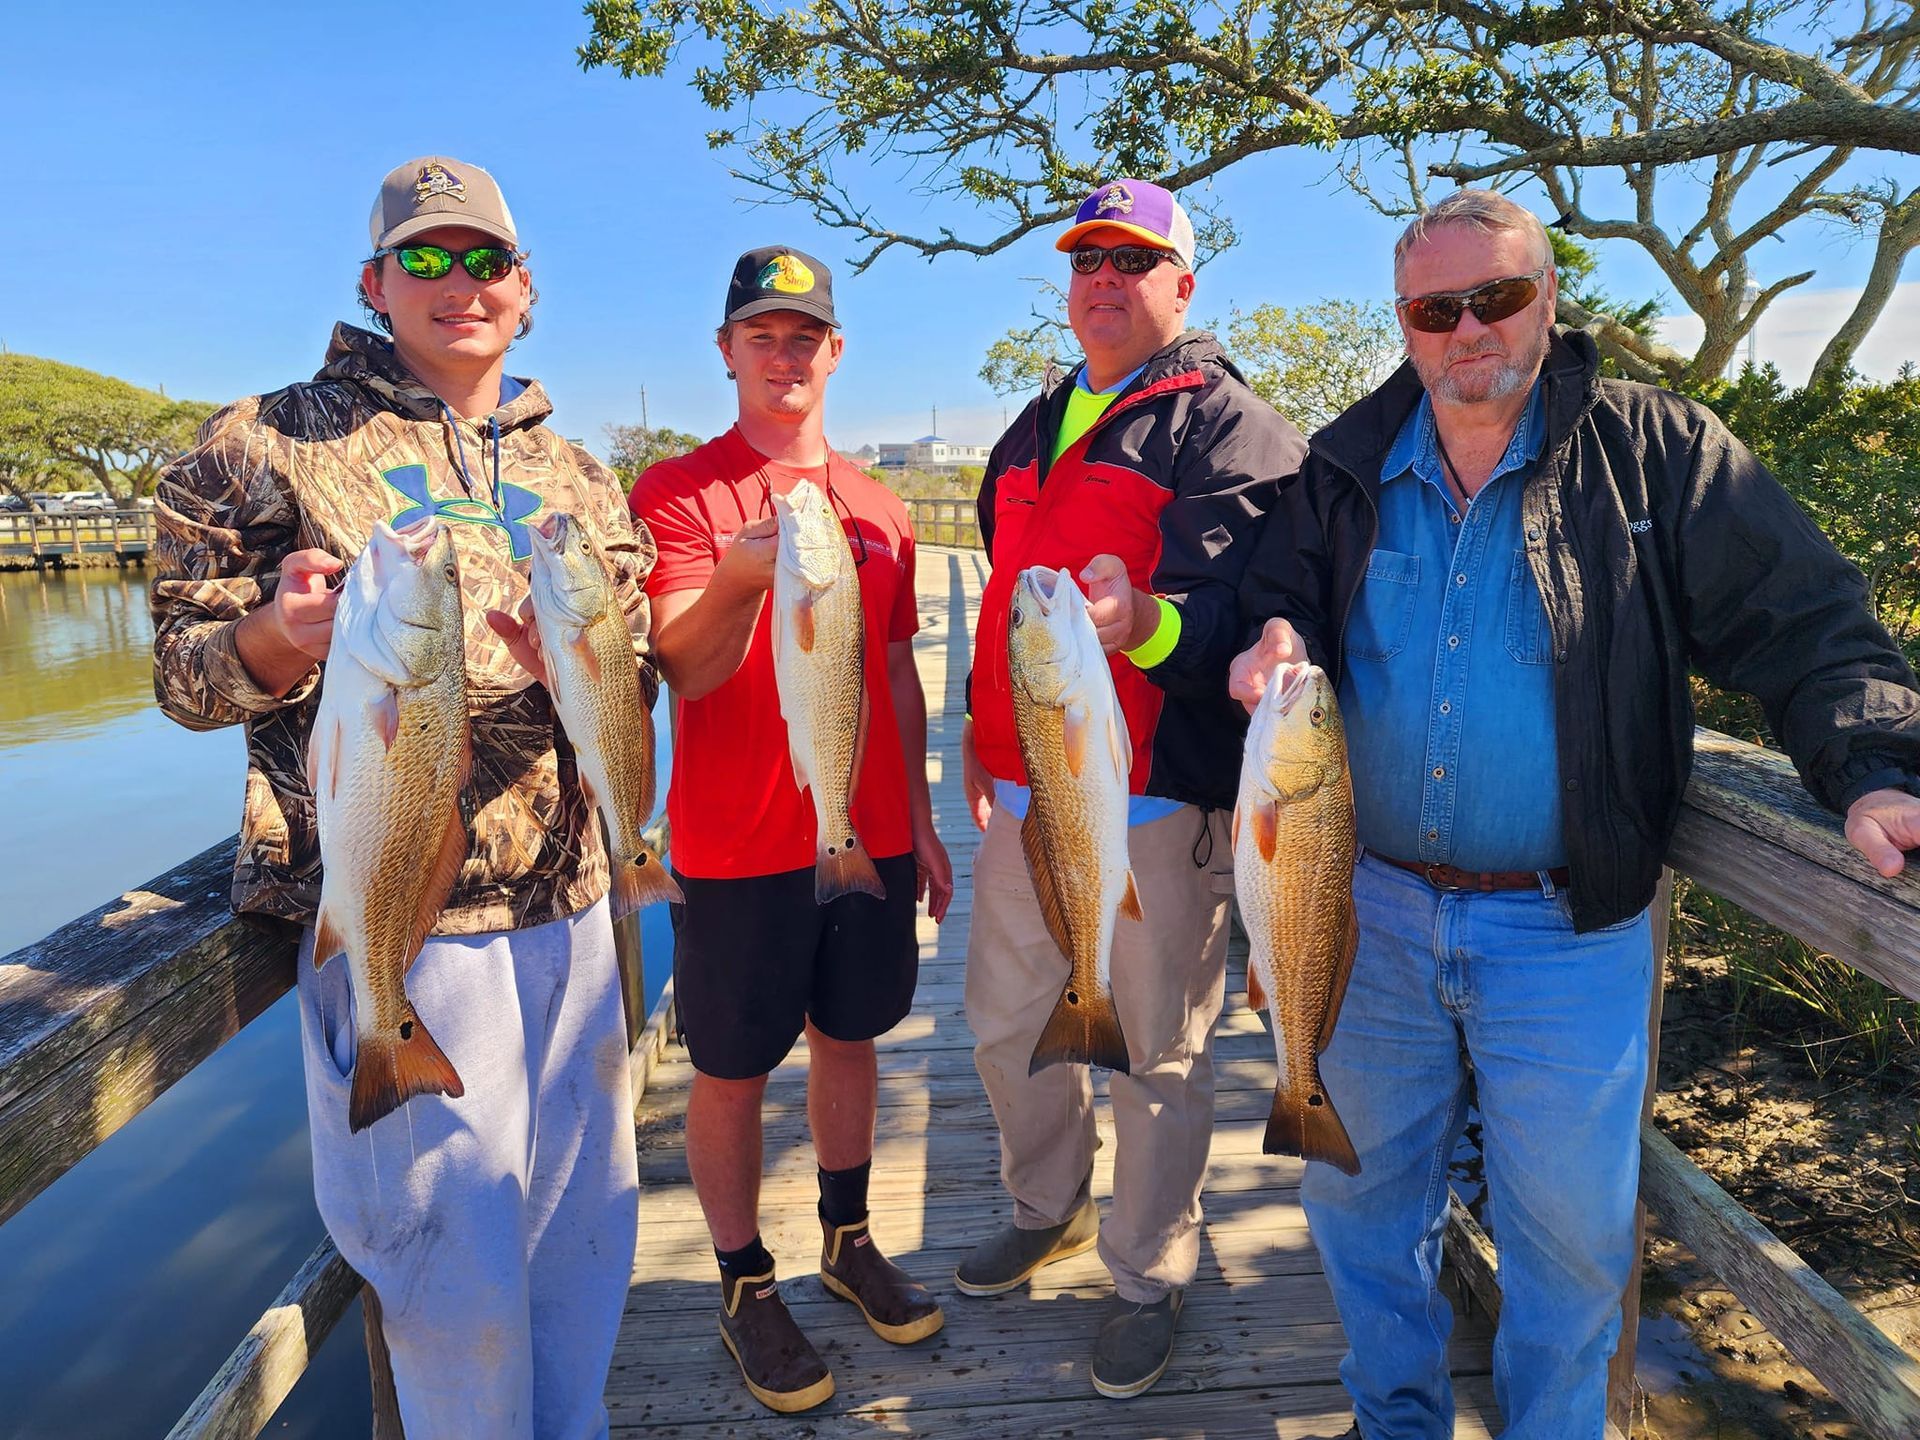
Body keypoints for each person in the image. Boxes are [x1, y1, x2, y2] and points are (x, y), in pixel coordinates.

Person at [1230, 187, 1920, 1440]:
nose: (1469, 329)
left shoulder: (1657, 452)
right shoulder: (1342, 464)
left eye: (1497, 296)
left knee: (1570, 1242)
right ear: (1405, 322)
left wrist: (1875, 766)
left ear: (1547, 299)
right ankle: (1394, 1420)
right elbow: (1282, 606)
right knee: (1361, 1208)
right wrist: (1273, 635)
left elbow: (1808, 622)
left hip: (1569, 928)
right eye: (1438, 309)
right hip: (1365, 912)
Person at [151, 156, 649, 1440]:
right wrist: (276, 639)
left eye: (483, 257)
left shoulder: (582, 476)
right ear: (374, 283)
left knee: (581, 1263)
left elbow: (629, 686)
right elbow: (182, 679)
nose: (457, 283)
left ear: (525, 289)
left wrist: (593, 669)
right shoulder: (260, 443)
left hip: (579, 921)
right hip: (406, 936)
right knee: (452, 1295)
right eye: (422, 260)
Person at [955, 178, 1305, 1399]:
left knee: (1157, 1052)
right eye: (1087, 260)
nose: (1105, 280)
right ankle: (1043, 1202)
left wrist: (1142, 621)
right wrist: (968, 719)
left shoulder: (1230, 426)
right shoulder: (1041, 415)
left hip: (1162, 806)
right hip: (1028, 788)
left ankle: (1148, 1270)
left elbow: (1258, 622)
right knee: (1008, 1029)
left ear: (1181, 285)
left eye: (1134, 261)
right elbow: (1006, 589)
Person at [627, 245, 954, 1415]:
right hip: (733, 842)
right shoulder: (677, 493)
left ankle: (848, 1236)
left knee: (853, 1036)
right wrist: (740, 582)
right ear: (726, 352)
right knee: (727, 1070)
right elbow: (678, 663)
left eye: (804, 335)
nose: (785, 354)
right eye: (762, 335)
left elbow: (900, 674)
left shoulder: (876, 502)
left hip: (862, 835)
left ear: (836, 352)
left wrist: (917, 816)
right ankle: (743, 1281)